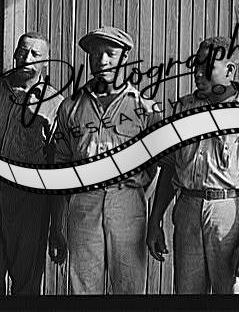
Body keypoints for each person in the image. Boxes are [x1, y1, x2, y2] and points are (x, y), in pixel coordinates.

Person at [146, 36, 239, 294]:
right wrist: (155, 221)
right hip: (187, 208)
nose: (198, 72)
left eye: (207, 66)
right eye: (196, 65)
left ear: (230, 71)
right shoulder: (183, 108)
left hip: (229, 212)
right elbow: (170, 167)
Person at [51, 26, 160, 294]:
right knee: (84, 287)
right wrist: (57, 224)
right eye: (95, 54)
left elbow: (156, 166)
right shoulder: (70, 107)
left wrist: (134, 195)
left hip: (128, 203)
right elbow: (60, 167)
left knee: (129, 286)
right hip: (83, 203)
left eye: (110, 53)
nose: (102, 61)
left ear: (125, 57)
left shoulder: (145, 108)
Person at [0, 31, 66, 295]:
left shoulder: (56, 104)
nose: (26, 58)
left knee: (26, 281)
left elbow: (59, 165)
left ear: (46, 62)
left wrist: (57, 223)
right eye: (22, 51)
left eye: (35, 54)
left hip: (28, 200)